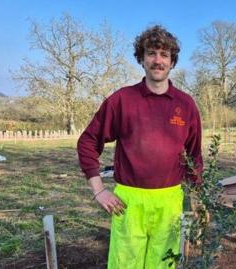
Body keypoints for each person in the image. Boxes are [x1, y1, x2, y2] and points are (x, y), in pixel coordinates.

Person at [77, 25, 203, 269]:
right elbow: (88, 141)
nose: (158, 60)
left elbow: (195, 156)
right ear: (142, 59)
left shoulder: (186, 105)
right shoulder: (122, 100)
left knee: (163, 263)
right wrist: (98, 190)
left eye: (164, 55)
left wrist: (196, 200)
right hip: (129, 200)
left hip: (170, 200)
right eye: (152, 53)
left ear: (172, 61)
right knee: (125, 264)